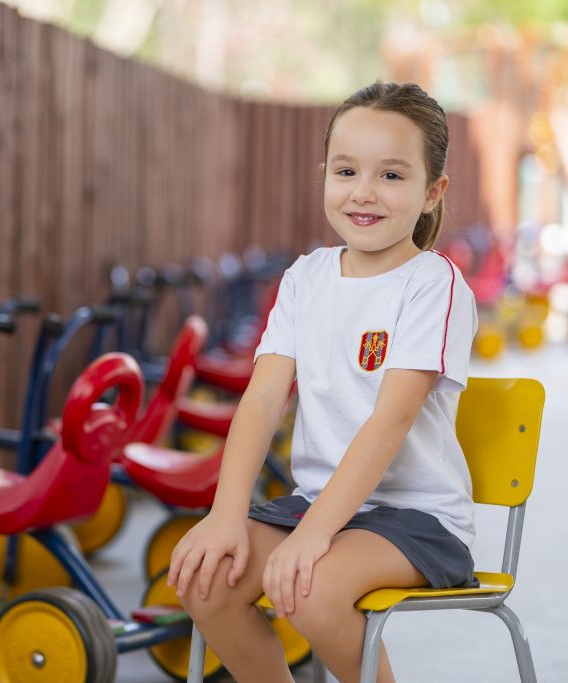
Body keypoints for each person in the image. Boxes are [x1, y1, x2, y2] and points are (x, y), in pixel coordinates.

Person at [167, 81, 479, 683]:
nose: (363, 192)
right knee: (207, 581)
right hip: (318, 507)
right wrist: (227, 513)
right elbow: (261, 399)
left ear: (431, 191)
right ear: (325, 176)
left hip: (415, 519)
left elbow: (389, 422)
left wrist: (312, 537)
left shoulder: (432, 285)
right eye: (346, 170)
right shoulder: (305, 277)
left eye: (391, 176)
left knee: (307, 589)